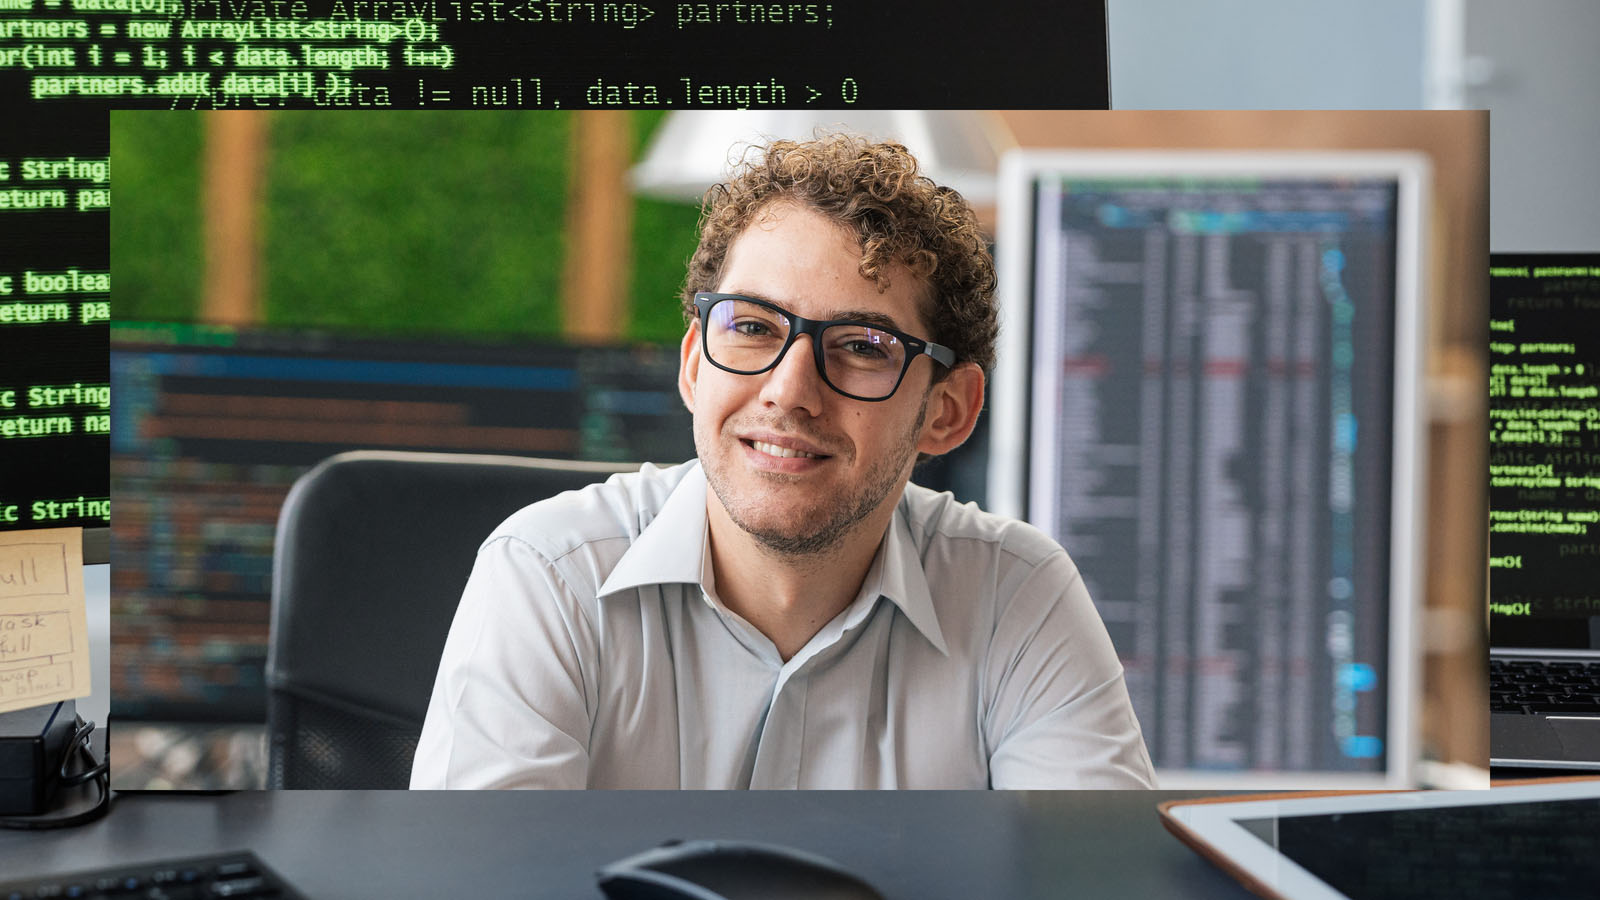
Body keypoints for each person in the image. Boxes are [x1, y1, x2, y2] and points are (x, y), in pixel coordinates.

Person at [410, 134, 1155, 789]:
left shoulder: (1017, 601)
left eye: (863, 346)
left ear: (947, 411)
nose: (788, 392)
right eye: (754, 327)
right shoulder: (548, 574)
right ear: (696, 365)